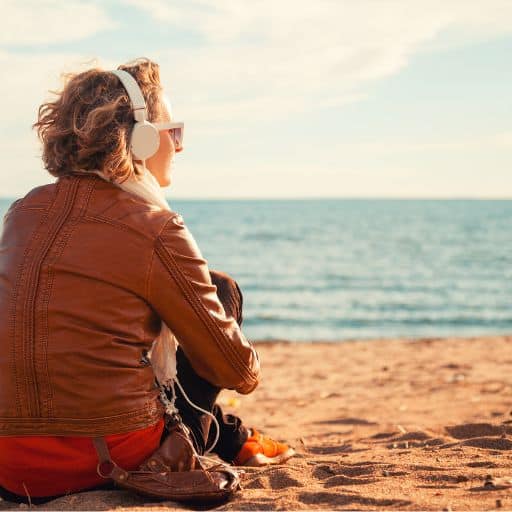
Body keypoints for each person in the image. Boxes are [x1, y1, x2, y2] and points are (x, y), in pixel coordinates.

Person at [0, 57, 294, 505]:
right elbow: (236, 371)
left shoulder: (22, 212)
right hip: (99, 459)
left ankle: (233, 438)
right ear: (140, 139)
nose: (179, 147)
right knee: (221, 291)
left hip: (9, 460)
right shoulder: (154, 226)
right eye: (173, 133)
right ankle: (226, 437)